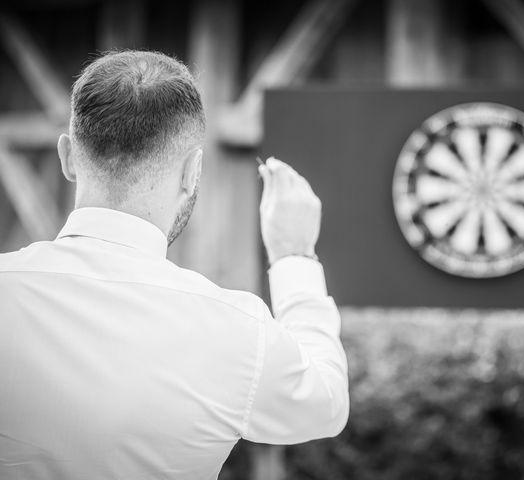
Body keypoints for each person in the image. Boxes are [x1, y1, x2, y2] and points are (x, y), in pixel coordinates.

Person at [0, 50, 349, 479]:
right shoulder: (238, 331)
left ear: (68, 156)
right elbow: (327, 403)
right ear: (192, 171)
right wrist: (294, 256)